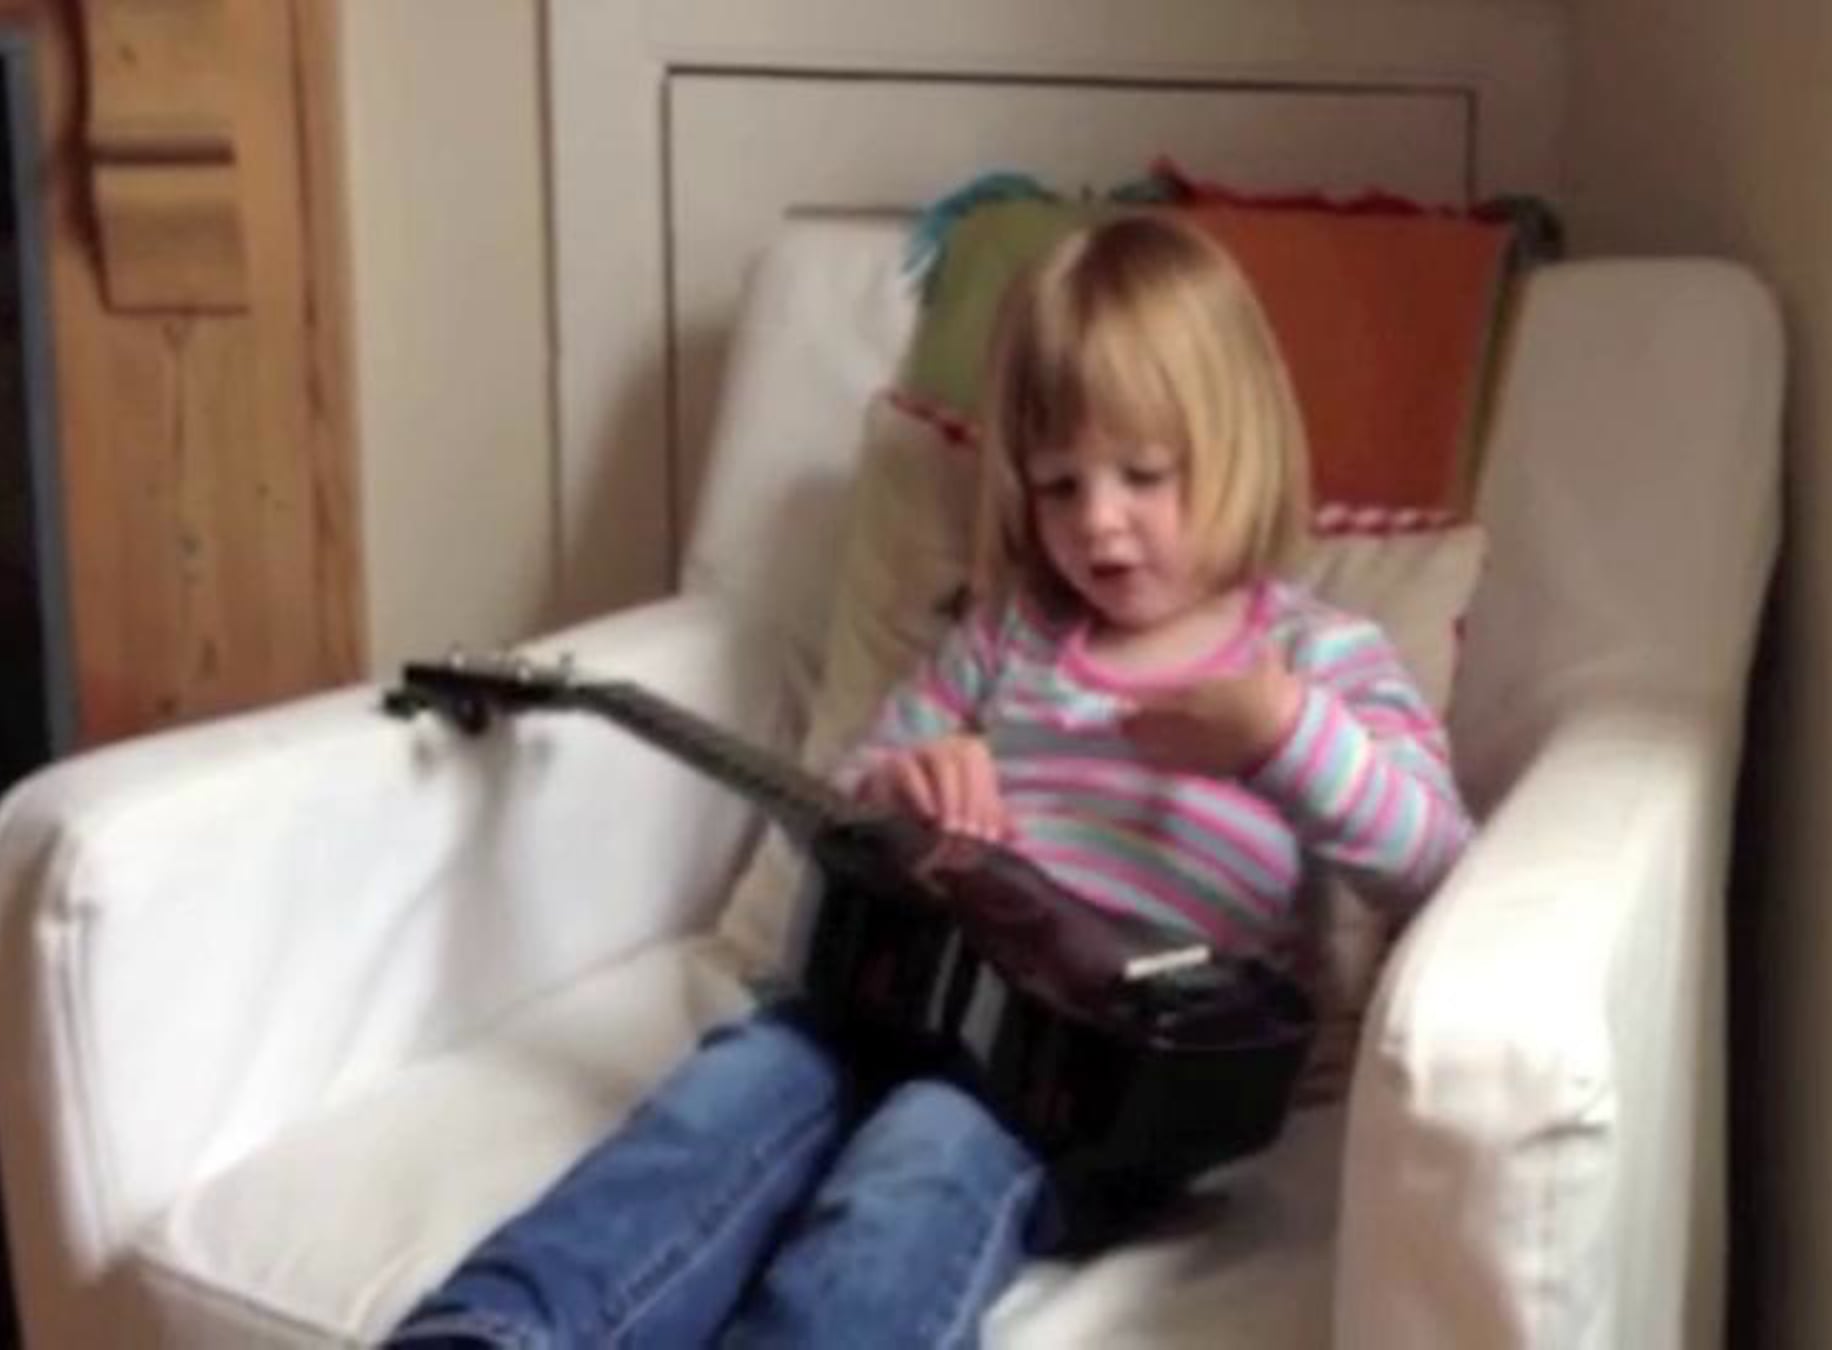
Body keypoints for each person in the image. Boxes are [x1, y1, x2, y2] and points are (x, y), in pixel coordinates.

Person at [388, 213, 1474, 1349]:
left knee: (926, 1151)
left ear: (1240, 444)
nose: (1098, 523)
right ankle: (491, 1329)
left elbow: (1437, 862)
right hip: (911, 1004)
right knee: (731, 1091)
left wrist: (1285, 737)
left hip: (1096, 1089)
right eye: (1059, 486)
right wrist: (903, 791)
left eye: (1144, 475)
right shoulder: (1008, 642)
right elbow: (844, 802)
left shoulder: (1316, 657)